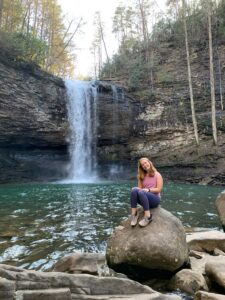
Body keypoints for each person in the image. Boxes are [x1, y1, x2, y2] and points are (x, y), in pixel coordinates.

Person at [130, 157, 163, 227]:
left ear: (149, 163)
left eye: (145, 163)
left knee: (142, 192)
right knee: (134, 190)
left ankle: (148, 217)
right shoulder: (141, 176)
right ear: (141, 167)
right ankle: (134, 214)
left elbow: (159, 189)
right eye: (142, 165)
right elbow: (139, 189)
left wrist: (149, 190)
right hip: (144, 199)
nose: (145, 165)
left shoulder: (157, 175)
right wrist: (137, 189)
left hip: (155, 199)